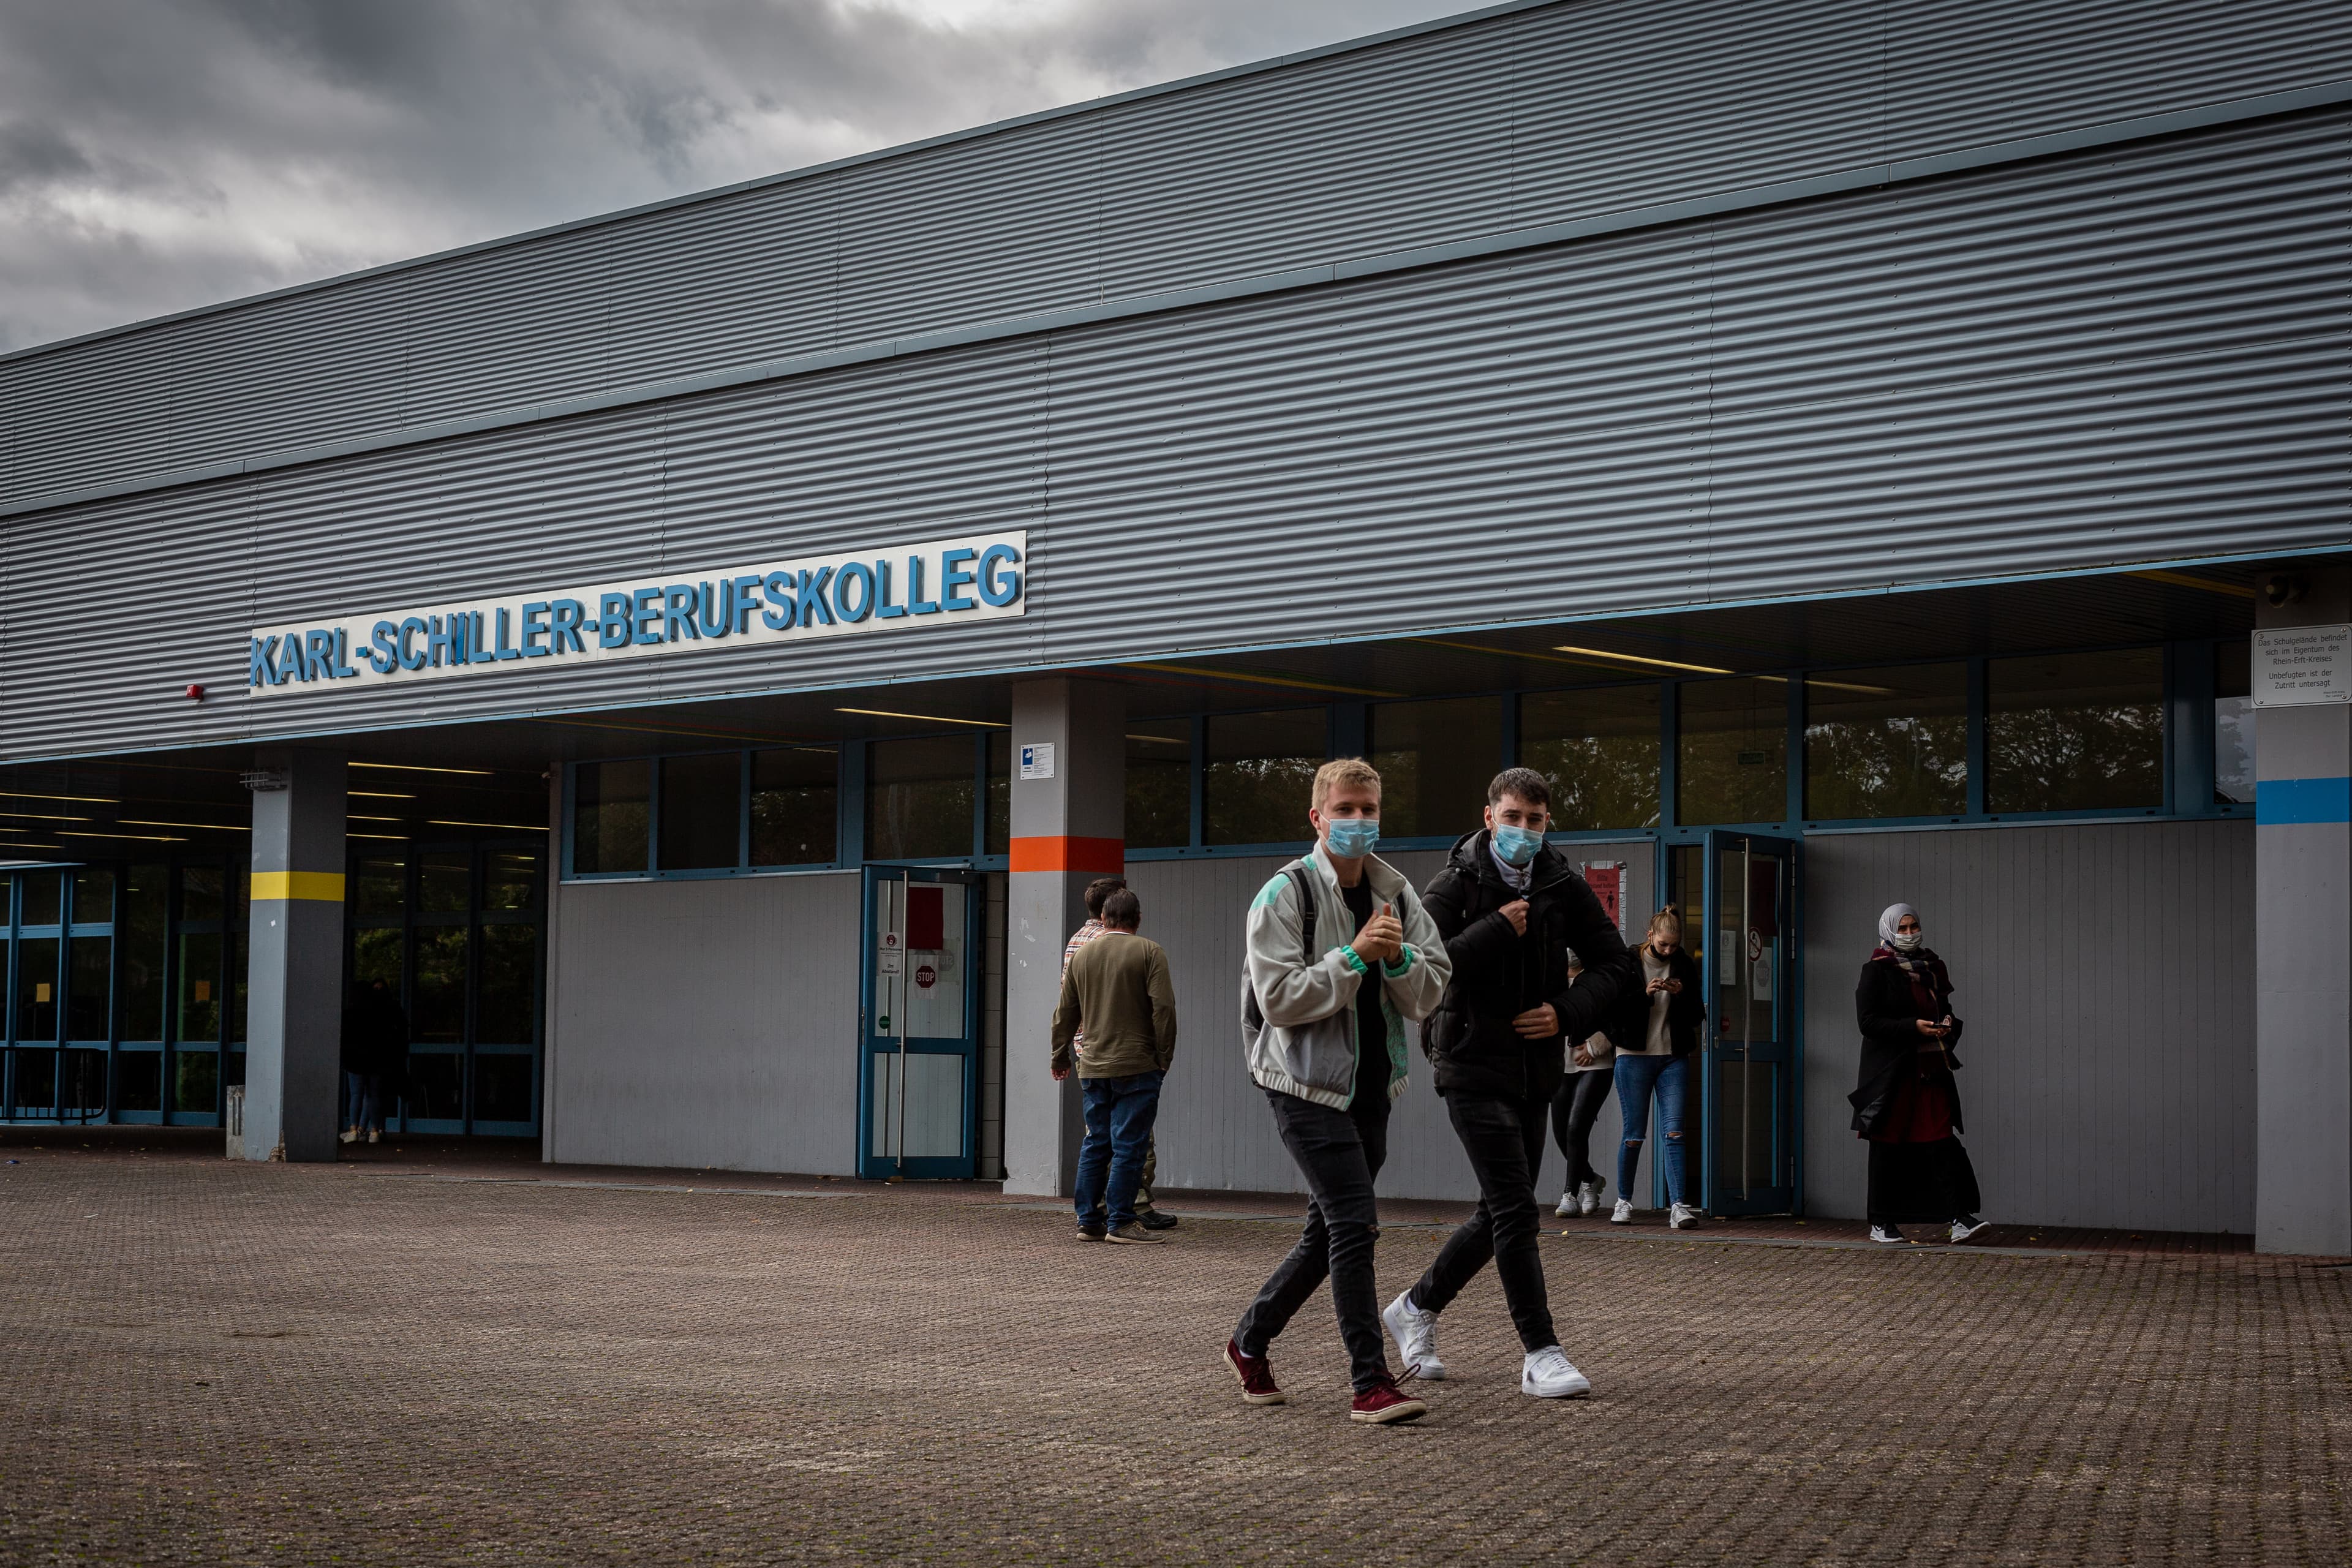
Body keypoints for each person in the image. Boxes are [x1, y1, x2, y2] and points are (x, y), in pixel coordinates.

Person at [1381, 767, 1630, 1400]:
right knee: (1518, 1207)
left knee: (1500, 1208)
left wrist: (1567, 1013)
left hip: (1534, 1068)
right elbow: (1419, 961)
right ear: (1490, 815)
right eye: (1513, 817)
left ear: (1549, 825)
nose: (1524, 831)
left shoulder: (1560, 884)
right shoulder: (1455, 882)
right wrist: (1496, 927)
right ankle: (1540, 1351)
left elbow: (1616, 964)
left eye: (1535, 821)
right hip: (1467, 1063)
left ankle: (1416, 1306)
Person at [1225, 758, 1450, 1425]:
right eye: (1345, 809)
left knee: (1328, 1233)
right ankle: (1370, 1381)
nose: (1359, 822)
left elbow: (1432, 985)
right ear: (1317, 817)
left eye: (1369, 810)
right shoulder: (1284, 894)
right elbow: (1281, 998)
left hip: (1372, 1086)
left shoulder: (1396, 891)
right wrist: (1353, 956)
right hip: (1301, 1084)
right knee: (1355, 1223)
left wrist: (1399, 957)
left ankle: (1249, 1341)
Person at [1853, 903, 1989, 1245]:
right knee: (1887, 1146)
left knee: (1941, 1140)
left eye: (1914, 927)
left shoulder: (1933, 968)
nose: (1910, 934)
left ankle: (1960, 1218)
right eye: (1903, 928)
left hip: (1930, 1070)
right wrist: (1912, 1027)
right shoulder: (1876, 971)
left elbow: (1946, 1011)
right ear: (1888, 931)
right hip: (1892, 1075)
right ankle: (1881, 1222)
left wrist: (1946, 1027)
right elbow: (1868, 1023)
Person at [1051, 888, 1178, 1245]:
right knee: (1130, 1144)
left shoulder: (1082, 956)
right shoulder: (1150, 952)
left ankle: (1088, 1220)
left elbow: (1065, 1014)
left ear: (1104, 919)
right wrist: (1163, 1057)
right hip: (1138, 1064)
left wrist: (1059, 1055)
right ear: (1138, 919)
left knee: (1096, 1142)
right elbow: (1163, 1010)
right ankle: (1121, 1222)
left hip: (1092, 1064)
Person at [1606, 907, 1705, 1228]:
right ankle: (1623, 1202)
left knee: (1674, 1132)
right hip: (1633, 1055)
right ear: (1650, 935)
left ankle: (1678, 1206)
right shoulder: (1628, 961)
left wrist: (1682, 995)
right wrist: (1645, 995)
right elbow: (1612, 1009)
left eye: (1674, 946)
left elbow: (1696, 1016)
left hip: (1672, 1056)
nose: (1668, 951)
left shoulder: (1685, 965)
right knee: (1634, 1134)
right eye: (1663, 944)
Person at [1551, 952, 1616, 1217]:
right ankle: (1591, 1179)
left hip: (1595, 1065)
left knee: (1576, 1128)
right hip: (1561, 1065)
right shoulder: (1551, 981)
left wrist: (1595, 1046)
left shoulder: (1599, 979)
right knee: (1560, 1133)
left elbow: (1618, 1016)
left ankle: (1570, 1194)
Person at [338, 977, 407, 1146]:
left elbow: (345, 1038)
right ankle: (375, 1131)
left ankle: (354, 1129)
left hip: (355, 1060)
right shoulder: (380, 1012)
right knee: (374, 1095)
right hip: (377, 1060)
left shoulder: (350, 1012)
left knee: (356, 1094)